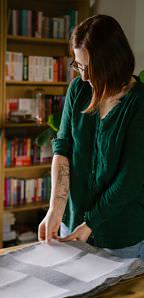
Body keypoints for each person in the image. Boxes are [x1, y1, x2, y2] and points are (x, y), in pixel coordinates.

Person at [38, 14, 144, 259]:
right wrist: (55, 209)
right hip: (72, 226)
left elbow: (129, 180)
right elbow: (62, 149)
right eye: (77, 64)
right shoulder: (78, 90)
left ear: (110, 63)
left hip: (121, 237)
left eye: (87, 67)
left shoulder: (138, 103)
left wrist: (91, 224)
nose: (83, 76)